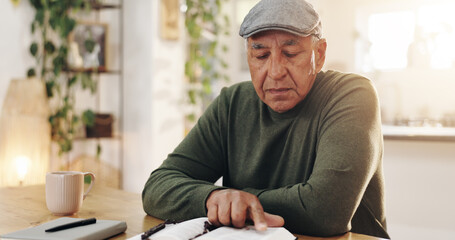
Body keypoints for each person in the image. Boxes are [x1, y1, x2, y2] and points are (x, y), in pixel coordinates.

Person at [142, 0, 390, 238]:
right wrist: (212, 199)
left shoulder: (352, 94)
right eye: (261, 56)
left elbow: (326, 210)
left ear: (320, 53)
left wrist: (237, 201)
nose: (274, 72)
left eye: (290, 53)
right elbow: (157, 188)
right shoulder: (232, 104)